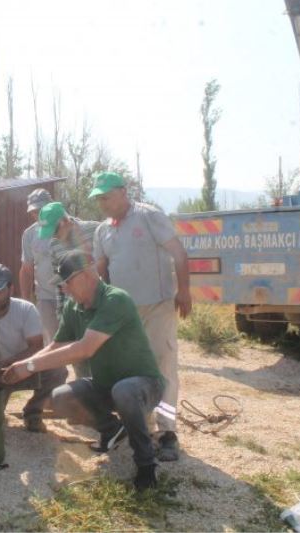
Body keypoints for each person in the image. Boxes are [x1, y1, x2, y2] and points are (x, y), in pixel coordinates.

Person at [2, 251, 164, 491]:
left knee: (125, 390)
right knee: (59, 397)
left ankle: (146, 464)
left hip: (143, 385)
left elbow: (85, 349)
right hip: (105, 386)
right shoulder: (73, 307)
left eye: (67, 282)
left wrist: (29, 366)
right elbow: (57, 346)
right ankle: (112, 430)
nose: (64, 289)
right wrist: (21, 367)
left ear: (87, 275)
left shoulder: (115, 300)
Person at [89, 171, 191, 462]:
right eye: (99, 199)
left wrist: (184, 291)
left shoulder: (149, 216)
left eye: (106, 197)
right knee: (131, 371)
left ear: (123, 192)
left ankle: (167, 432)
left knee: (162, 367)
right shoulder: (102, 231)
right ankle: (140, 428)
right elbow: (101, 270)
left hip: (158, 305)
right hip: (125, 314)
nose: (103, 204)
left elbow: (179, 254)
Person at [0, 263, 67, 433]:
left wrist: (11, 365)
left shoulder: (26, 309)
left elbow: (36, 347)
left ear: (10, 290)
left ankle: (33, 411)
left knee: (58, 371)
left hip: (21, 369)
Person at [37, 201, 100, 377]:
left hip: (102, 307)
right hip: (77, 310)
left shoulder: (96, 230)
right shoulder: (53, 246)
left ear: (65, 221)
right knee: (80, 366)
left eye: (55, 231)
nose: (54, 237)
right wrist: (62, 314)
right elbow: (60, 283)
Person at [19, 188, 59, 344]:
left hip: (73, 296)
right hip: (45, 297)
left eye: (41, 210)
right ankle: (56, 369)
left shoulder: (71, 226)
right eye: (34, 211)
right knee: (50, 343)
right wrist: (25, 301)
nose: (38, 214)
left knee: (75, 341)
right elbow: (26, 269)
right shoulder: (29, 234)